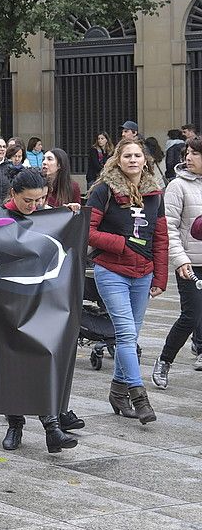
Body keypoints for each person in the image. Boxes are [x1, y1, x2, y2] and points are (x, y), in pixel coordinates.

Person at [0, 169, 84, 454]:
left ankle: (52, 427)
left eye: (41, 199)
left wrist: (67, 214)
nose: (35, 206)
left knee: (43, 356)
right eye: (28, 201)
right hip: (6, 300)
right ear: (13, 195)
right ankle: (15, 424)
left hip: (40, 299)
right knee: (11, 363)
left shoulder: (46, 215)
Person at [87, 137, 167, 424]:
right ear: (117, 160)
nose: (133, 160)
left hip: (143, 274)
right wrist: (120, 243)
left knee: (130, 336)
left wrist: (160, 276)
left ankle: (118, 391)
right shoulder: (103, 190)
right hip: (111, 269)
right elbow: (88, 231)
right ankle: (138, 395)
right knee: (125, 335)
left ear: (145, 160)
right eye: (127, 156)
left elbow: (160, 238)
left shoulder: (155, 193)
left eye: (137, 155)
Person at [152, 136, 202, 388]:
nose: (189, 158)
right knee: (191, 316)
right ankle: (164, 360)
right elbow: (168, 228)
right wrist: (180, 260)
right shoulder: (177, 186)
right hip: (191, 264)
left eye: (195, 153)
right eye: (188, 153)